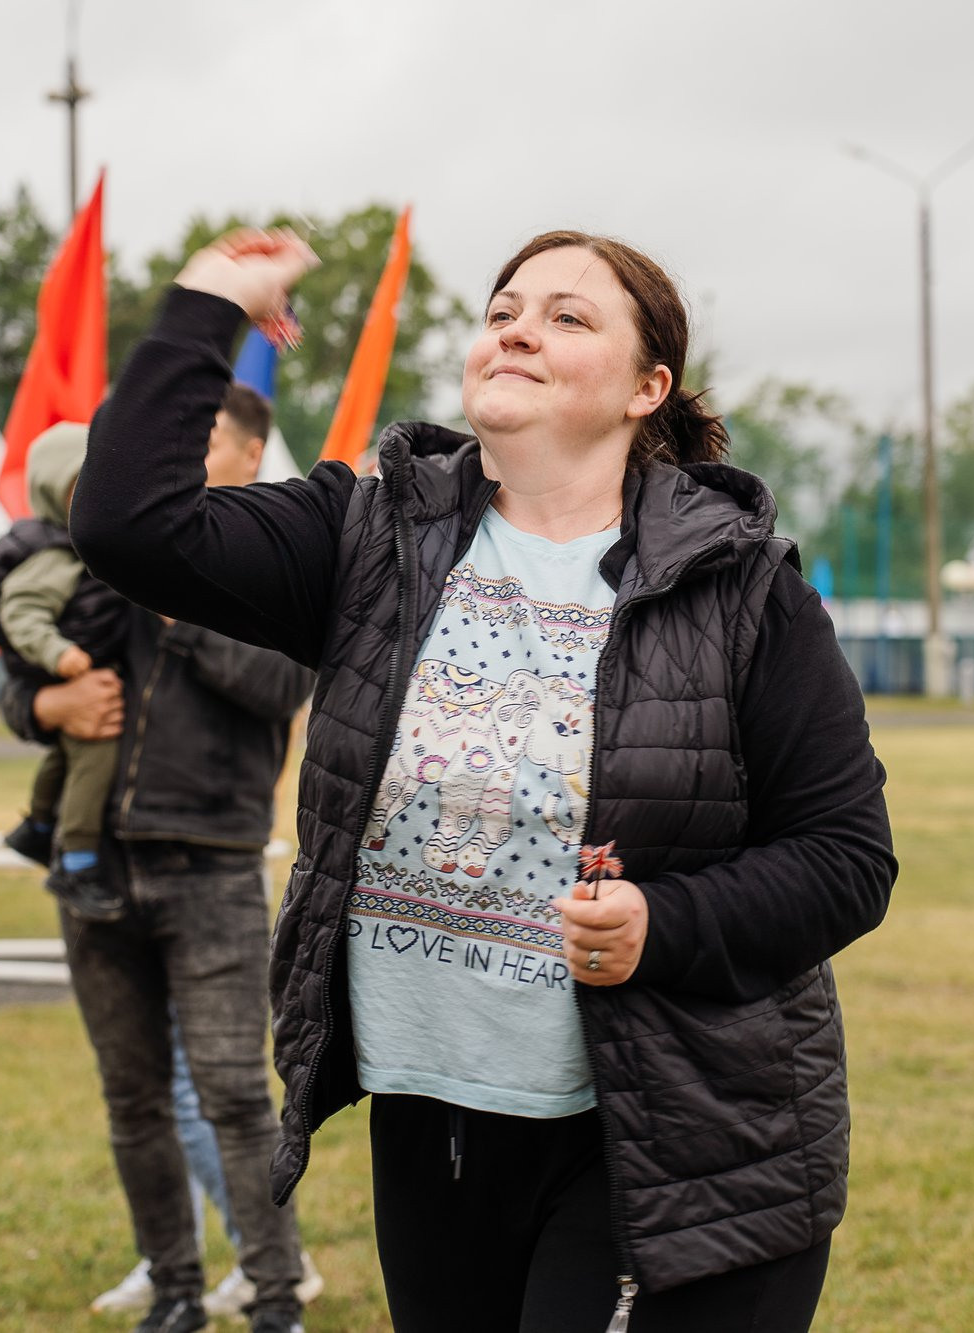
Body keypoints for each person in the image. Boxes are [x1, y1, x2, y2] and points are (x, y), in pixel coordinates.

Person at [72, 229, 898, 1332]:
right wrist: (205, 304)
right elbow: (130, 525)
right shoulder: (370, 537)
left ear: (645, 388)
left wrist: (664, 919)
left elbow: (846, 857)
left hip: (674, 1133)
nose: (516, 327)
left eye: (566, 315)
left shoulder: (740, 590)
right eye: (503, 307)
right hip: (436, 1123)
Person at [19, 385, 318, 1333]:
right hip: (95, 866)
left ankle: (278, 1299)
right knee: (133, 1098)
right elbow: (21, 674)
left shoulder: (281, 558)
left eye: (200, 437)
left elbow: (280, 684)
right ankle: (176, 1290)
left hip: (212, 864)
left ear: (250, 448)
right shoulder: (94, 541)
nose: (174, 453)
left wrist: (177, 603)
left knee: (236, 1095)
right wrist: (40, 709)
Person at [0, 421, 133, 921]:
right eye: (83, 486)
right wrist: (57, 656)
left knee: (65, 762)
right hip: (74, 676)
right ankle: (77, 860)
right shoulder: (52, 555)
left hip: (83, 677)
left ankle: (39, 824)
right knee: (93, 757)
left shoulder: (94, 547)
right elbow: (19, 611)